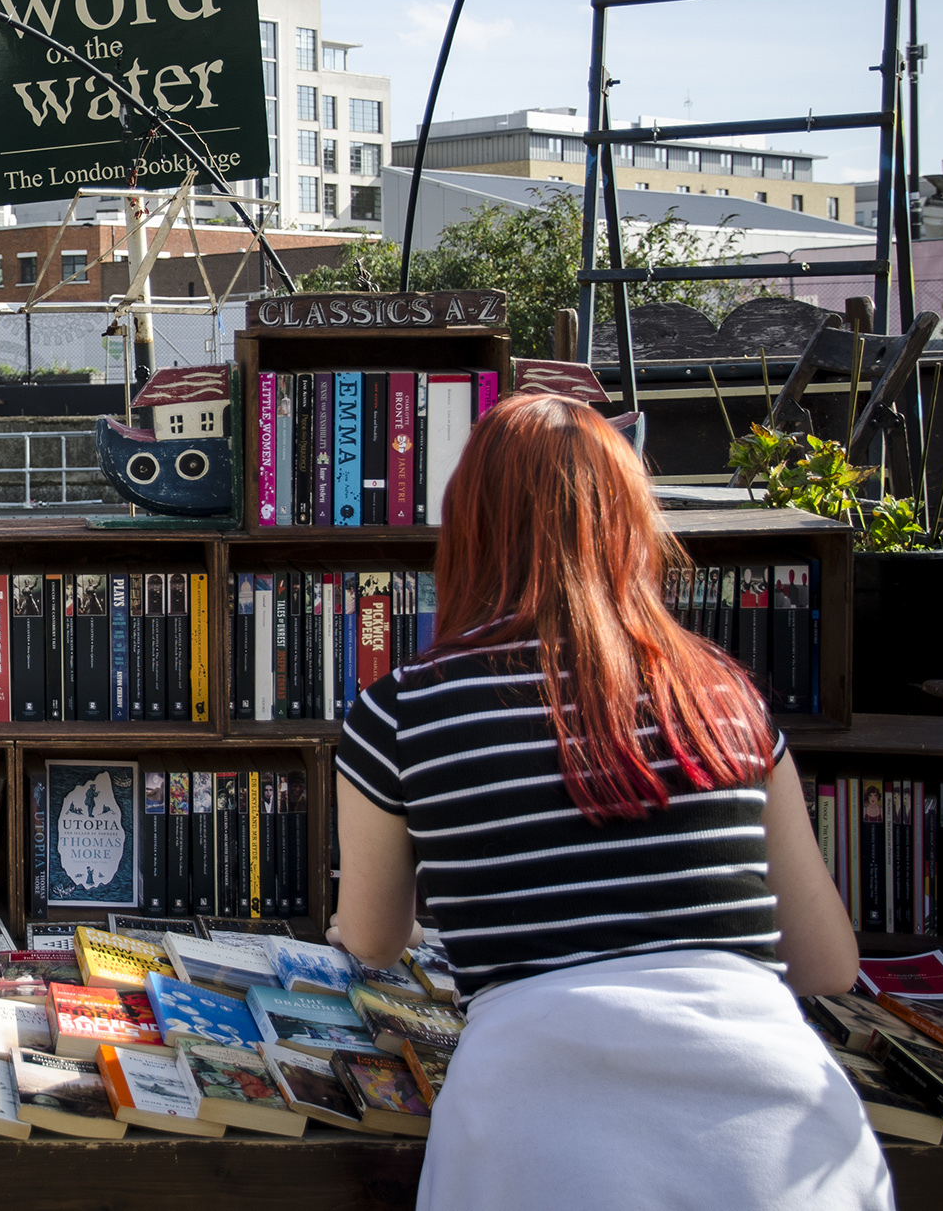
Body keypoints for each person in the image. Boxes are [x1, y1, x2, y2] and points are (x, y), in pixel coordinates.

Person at [330, 393, 884, 1211]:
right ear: (630, 520)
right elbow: (829, 963)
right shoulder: (722, 694)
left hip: (535, 1139)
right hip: (781, 1140)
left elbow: (374, 938)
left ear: (469, 526)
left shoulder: (405, 708)